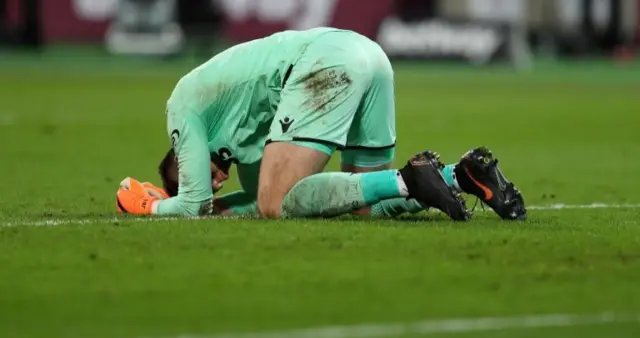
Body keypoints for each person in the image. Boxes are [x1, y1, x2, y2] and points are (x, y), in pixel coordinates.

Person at [116, 27, 526, 221]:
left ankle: (408, 180)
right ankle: (462, 175)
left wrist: (151, 205)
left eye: (198, 176)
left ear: (180, 157)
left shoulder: (181, 110)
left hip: (325, 62)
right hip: (369, 56)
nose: (216, 184)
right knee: (361, 209)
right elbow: (248, 202)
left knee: (280, 202)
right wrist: (219, 207)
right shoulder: (239, 138)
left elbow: (193, 204)